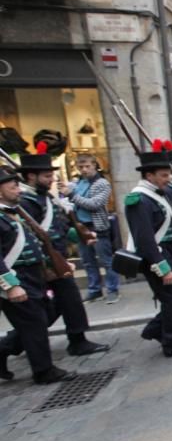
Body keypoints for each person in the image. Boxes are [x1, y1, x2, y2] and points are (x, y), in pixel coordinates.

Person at [15, 144, 109, 357]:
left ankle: (77, 340)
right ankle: (9, 346)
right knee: (44, 311)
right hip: (42, 262)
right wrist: (50, 261)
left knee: (69, 301)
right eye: (47, 176)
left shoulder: (46, 198)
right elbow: (29, 236)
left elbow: (60, 227)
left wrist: (80, 236)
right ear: (31, 176)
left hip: (57, 258)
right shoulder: (24, 202)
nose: (51, 180)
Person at [0, 166, 76, 384]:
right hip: (16, 277)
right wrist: (10, 285)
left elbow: (35, 244)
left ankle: (4, 349)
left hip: (34, 276)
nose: (19, 191)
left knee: (43, 317)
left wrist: (52, 268)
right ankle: (44, 371)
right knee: (34, 324)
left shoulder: (13, 214)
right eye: (13, 187)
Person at [124, 142, 172, 358]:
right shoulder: (138, 200)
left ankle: (156, 329)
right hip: (157, 256)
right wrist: (163, 269)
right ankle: (171, 343)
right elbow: (145, 240)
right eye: (164, 175)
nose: (168, 179)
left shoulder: (160, 193)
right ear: (150, 175)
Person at [62, 153, 120, 304]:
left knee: (106, 260)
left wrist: (72, 196)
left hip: (97, 227)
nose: (84, 170)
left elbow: (94, 204)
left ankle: (112, 290)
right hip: (81, 228)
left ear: (94, 165)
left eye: (87, 166)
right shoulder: (77, 183)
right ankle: (95, 290)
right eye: (81, 167)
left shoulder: (102, 183)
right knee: (87, 261)